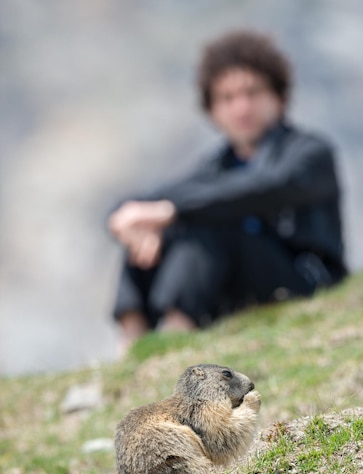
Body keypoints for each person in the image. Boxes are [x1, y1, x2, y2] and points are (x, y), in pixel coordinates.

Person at [108, 30, 347, 353]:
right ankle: (132, 343)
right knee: (155, 228)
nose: (242, 107)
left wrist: (170, 209)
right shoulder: (215, 167)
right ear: (212, 109)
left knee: (208, 222)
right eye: (227, 98)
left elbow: (263, 187)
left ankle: (172, 339)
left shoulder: (309, 153)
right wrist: (132, 218)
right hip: (235, 288)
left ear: (278, 97)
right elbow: (157, 200)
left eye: (253, 92)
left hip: (303, 281)